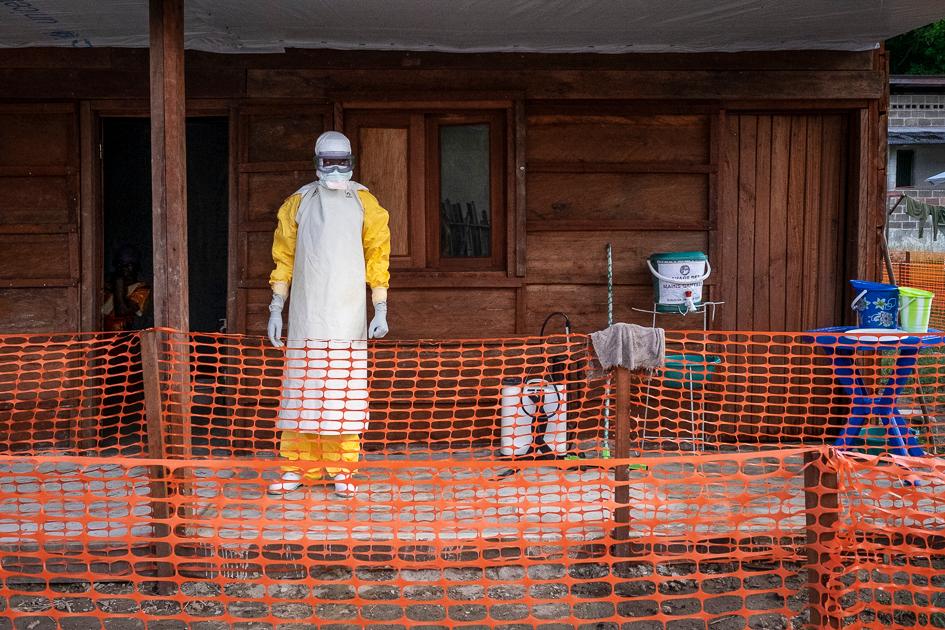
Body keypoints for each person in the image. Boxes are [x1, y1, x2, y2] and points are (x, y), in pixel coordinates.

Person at [266, 131, 391, 497]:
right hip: (306, 317)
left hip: (348, 318)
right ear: (316, 162)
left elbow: (377, 255)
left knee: (343, 391)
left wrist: (380, 305)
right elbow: (283, 258)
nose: (336, 169)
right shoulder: (298, 203)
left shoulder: (366, 203)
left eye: (342, 161)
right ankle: (295, 468)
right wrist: (277, 308)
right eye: (328, 161)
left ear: (351, 162)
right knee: (302, 390)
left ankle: (342, 471)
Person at [102, 245, 152, 331]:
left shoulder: (141, 288)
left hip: (122, 338)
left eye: (129, 264)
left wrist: (119, 285)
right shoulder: (105, 284)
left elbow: (122, 311)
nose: (124, 268)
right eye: (120, 264)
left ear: (137, 267)